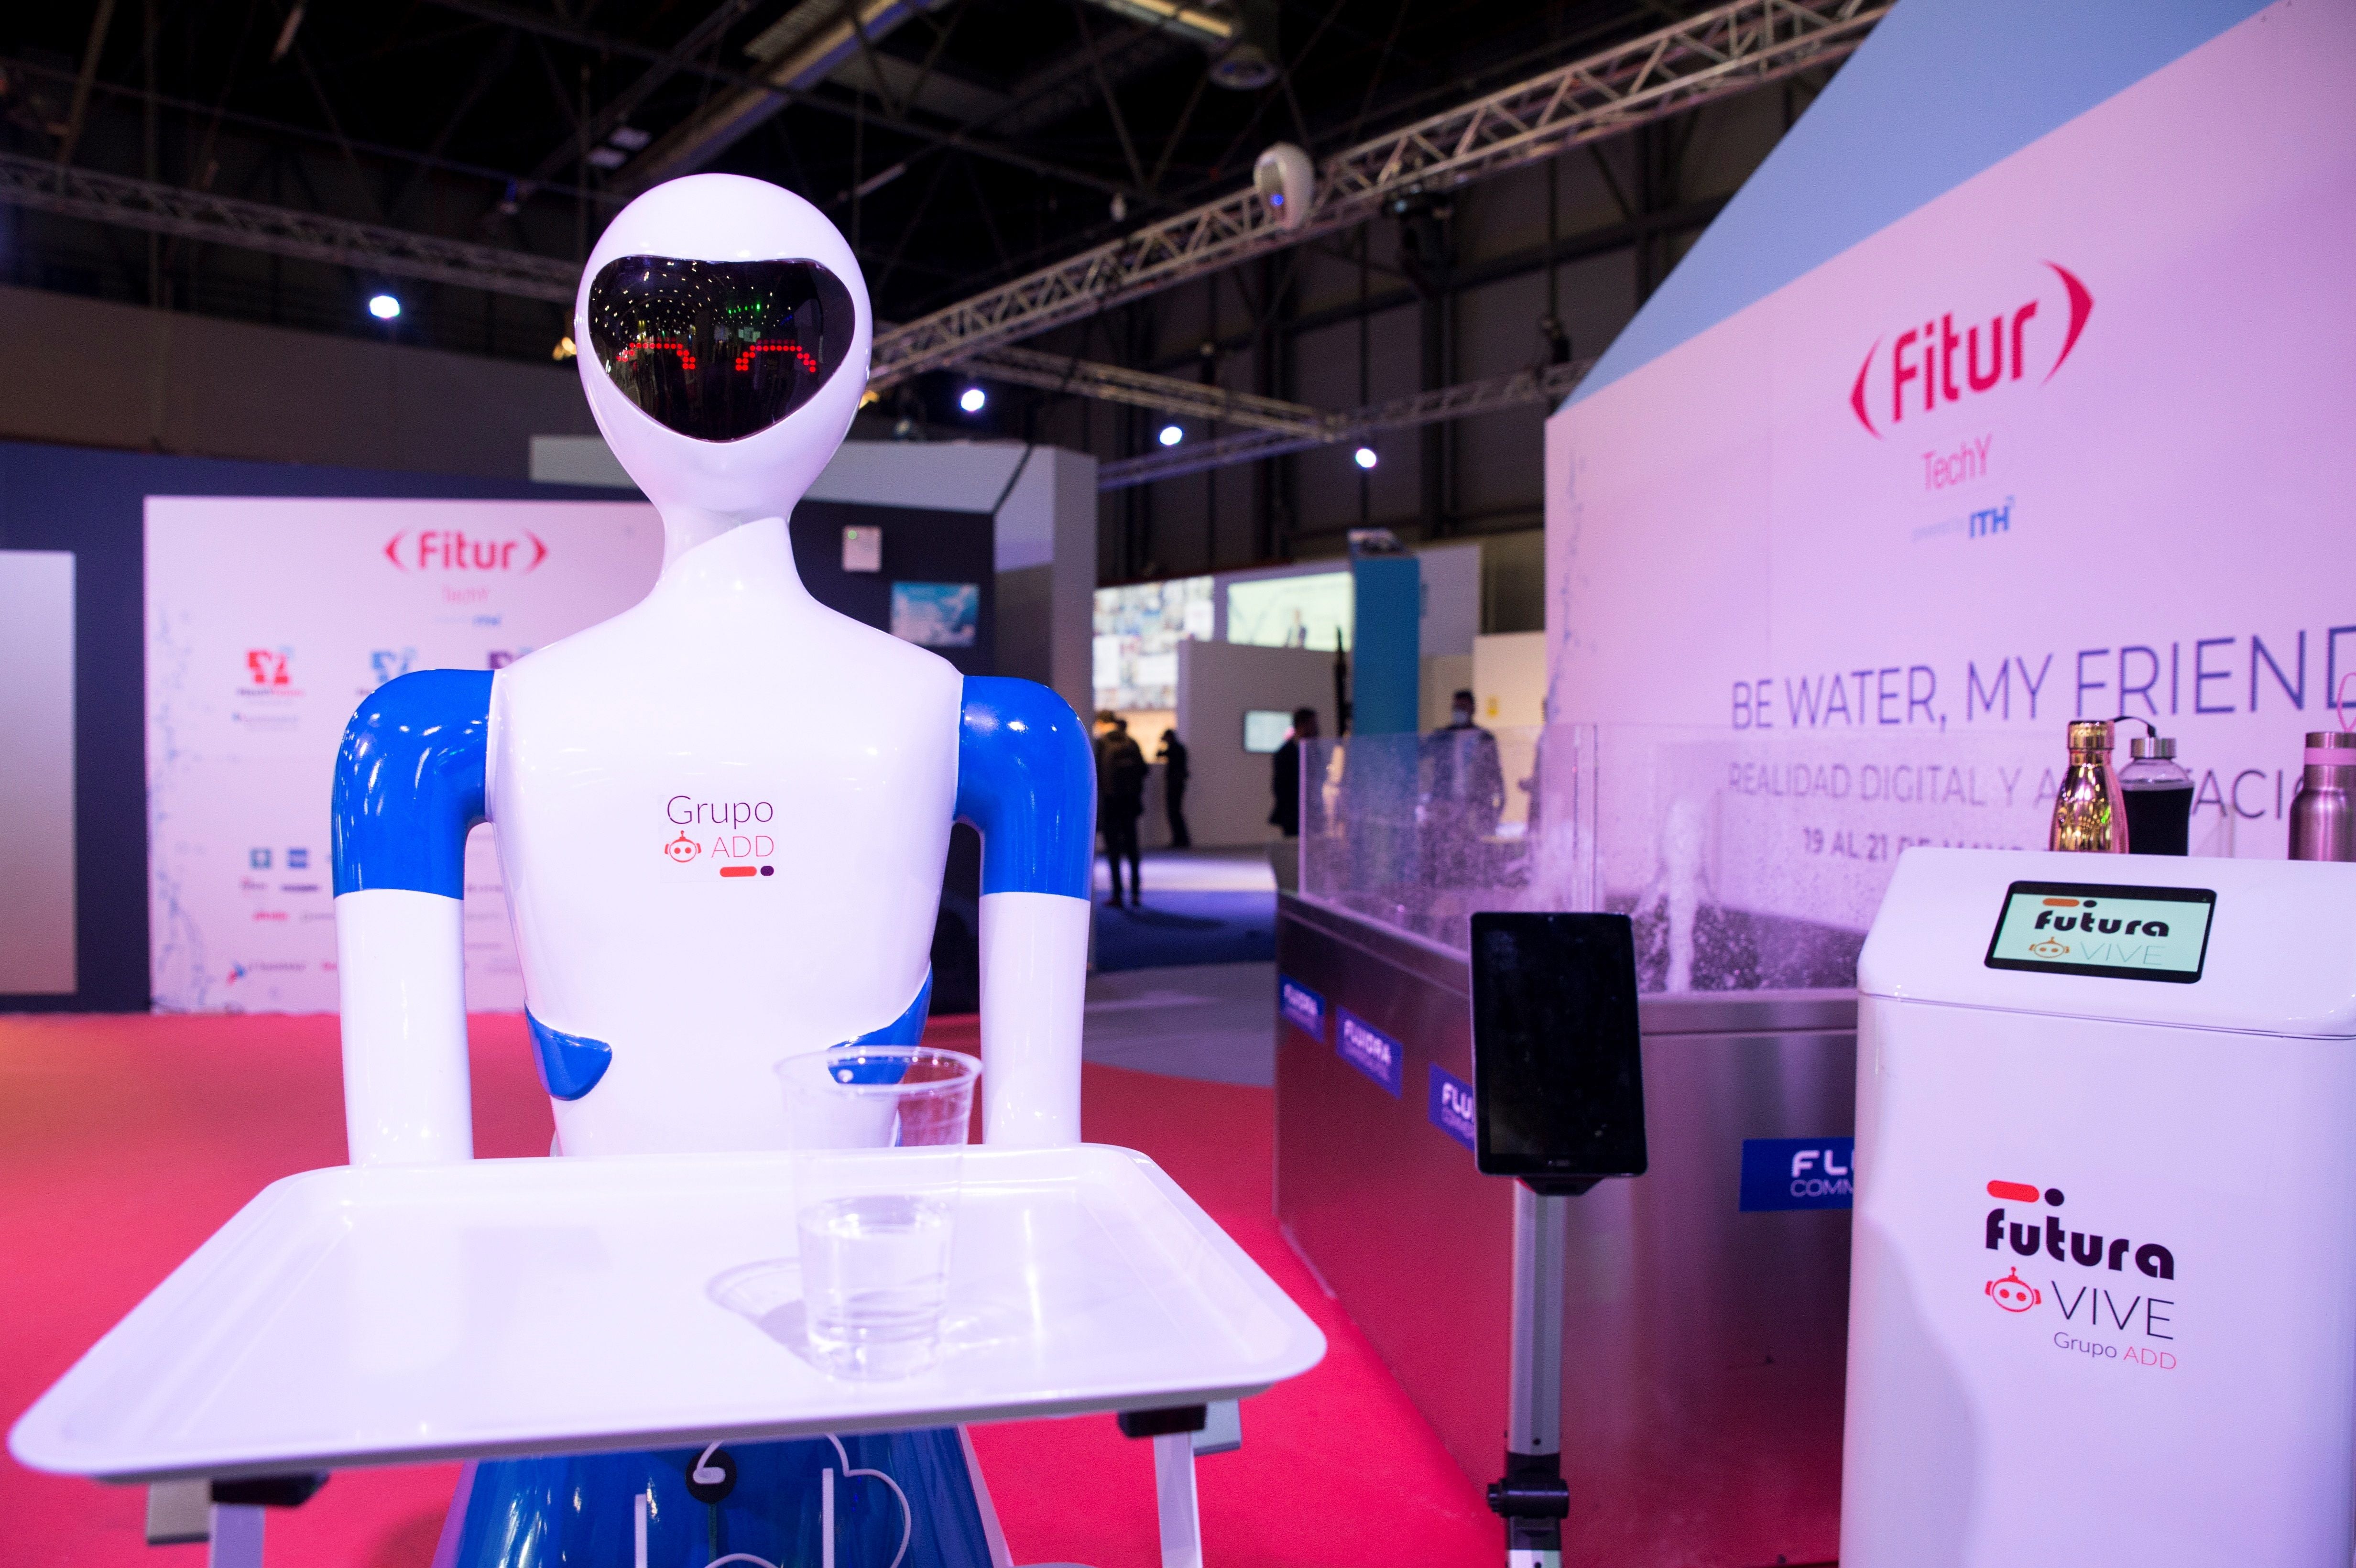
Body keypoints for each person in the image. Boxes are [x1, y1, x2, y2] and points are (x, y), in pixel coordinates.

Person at [1422, 689, 1505, 881]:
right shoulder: (1443, 736)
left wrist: (1499, 801)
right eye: (1456, 707)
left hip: (1474, 803)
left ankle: (1471, 880)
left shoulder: (1484, 737)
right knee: (1447, 846)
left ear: (1472, 708)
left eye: (1463, 707)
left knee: (1472, 845)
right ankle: (1447, 881)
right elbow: (1422, 753)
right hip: (1447, 802)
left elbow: (1495, 772)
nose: (1458, 711)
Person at [1098, 714, 1148, 906]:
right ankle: (1136, 894)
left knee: (1114, 852)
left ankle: (1117, 894)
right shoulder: (1131, 743)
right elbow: (1144, 770)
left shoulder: (1103, 743)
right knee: (1133, 849)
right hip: (1130, 804)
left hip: (1111, 805)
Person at [1269, 706, 1320, 838]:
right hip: (1293, 814)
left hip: (1313, 812)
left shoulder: (1316, 751)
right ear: (1302, 725)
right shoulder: (1285, 753)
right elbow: (1280, 786)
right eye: (1313, 725)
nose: (1316, 729)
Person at [1157, 728, 1192, 849]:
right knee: (1176, 812)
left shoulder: (1173, 748)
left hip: (1174, 784)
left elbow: (1158, 755)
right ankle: (1182, 839)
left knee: (1174, 812)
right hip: (1179, 783)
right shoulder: (1180, 748)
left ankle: (1180, 840)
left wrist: (1161, 744)